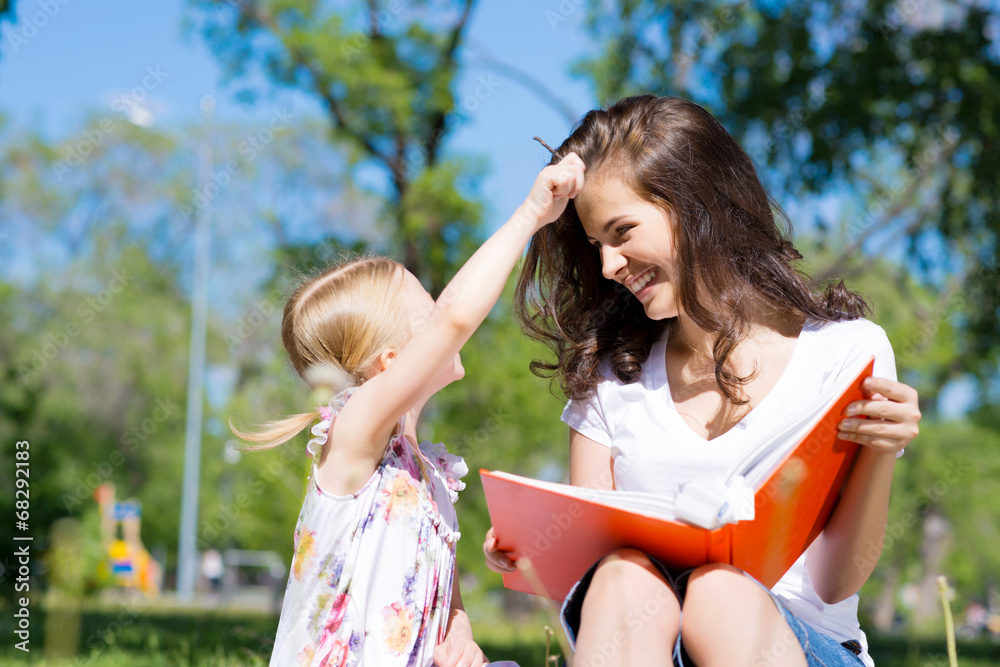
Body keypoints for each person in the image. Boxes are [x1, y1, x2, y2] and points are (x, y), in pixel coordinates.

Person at [483, 95, 921, 667]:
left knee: (718, 594)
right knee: (620, 576)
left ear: (694, 204)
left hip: (805, 646)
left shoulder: (846, 351)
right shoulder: (610, 379)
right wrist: (542, 548)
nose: (609, 265)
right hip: (652, 646)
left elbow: (835, 584)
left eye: (622, 231)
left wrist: (880, 453)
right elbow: (596, 592)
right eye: (596, 246)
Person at [231, 151, 586, 667]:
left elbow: (449, 605)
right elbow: (456, 322)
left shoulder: (430, 476)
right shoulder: (355, 435)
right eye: (429, 306)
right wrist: (530, 214)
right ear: (393, 363)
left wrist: (461, 637)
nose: (445, 308)